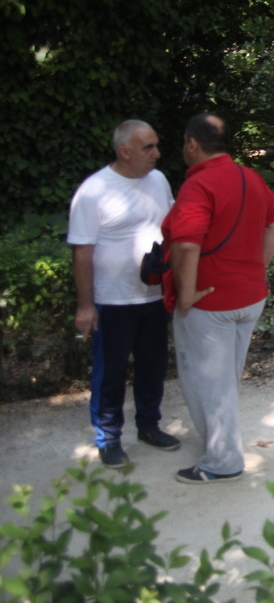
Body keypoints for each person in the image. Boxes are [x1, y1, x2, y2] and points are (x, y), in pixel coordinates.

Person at [162, 114, 274, 484]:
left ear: (192, 144)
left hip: (211, 302)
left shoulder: (198, 185)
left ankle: (222, 461)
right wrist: (258, 267)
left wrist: (185, 295)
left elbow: (186, 243)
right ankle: (219, 445)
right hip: (249, 297)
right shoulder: (249, 177)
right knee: (223, 381)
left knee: (207, 383)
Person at [68, 120, 179, 468]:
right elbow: (82, 251)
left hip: (153, 296)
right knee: (111, 372)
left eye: (156, 145)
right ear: (124, 151)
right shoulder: (94, 190)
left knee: (153, 366)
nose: (157, 153)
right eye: (148, 147)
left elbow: (173, 228)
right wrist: (86, 305)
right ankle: (108, 437)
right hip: (112, 300)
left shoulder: (159, 180)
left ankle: (149, 425)